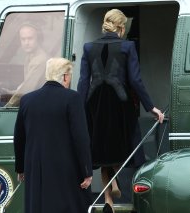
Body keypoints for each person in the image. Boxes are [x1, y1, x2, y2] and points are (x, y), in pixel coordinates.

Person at [77, 9, 165, 213]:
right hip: (121, 104)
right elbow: (135, 80)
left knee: (102, 148)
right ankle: (130, 194)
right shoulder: (127, 46)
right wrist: (150, 107)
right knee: (125, 150)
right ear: (122, 27)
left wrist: (79, 109)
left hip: (94, 104)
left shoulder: (89, 48)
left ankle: (109, 199)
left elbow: (83, 82)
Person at [14, 58, 93, 213]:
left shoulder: (27, 100)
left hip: (36, 172)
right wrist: (86, 171)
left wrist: (21, 168)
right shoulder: (72, 98)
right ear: (65, 76)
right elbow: (81, 137)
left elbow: (19, 137)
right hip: (66, 172)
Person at [5, 23, 48, 107]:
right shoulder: (30, 56)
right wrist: (13, 92)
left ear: (38, 39)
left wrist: (7, 107)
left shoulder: (40, 60)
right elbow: (27, 83)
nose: (26, 43)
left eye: (30, 38)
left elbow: (26, 90)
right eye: (23, 39)